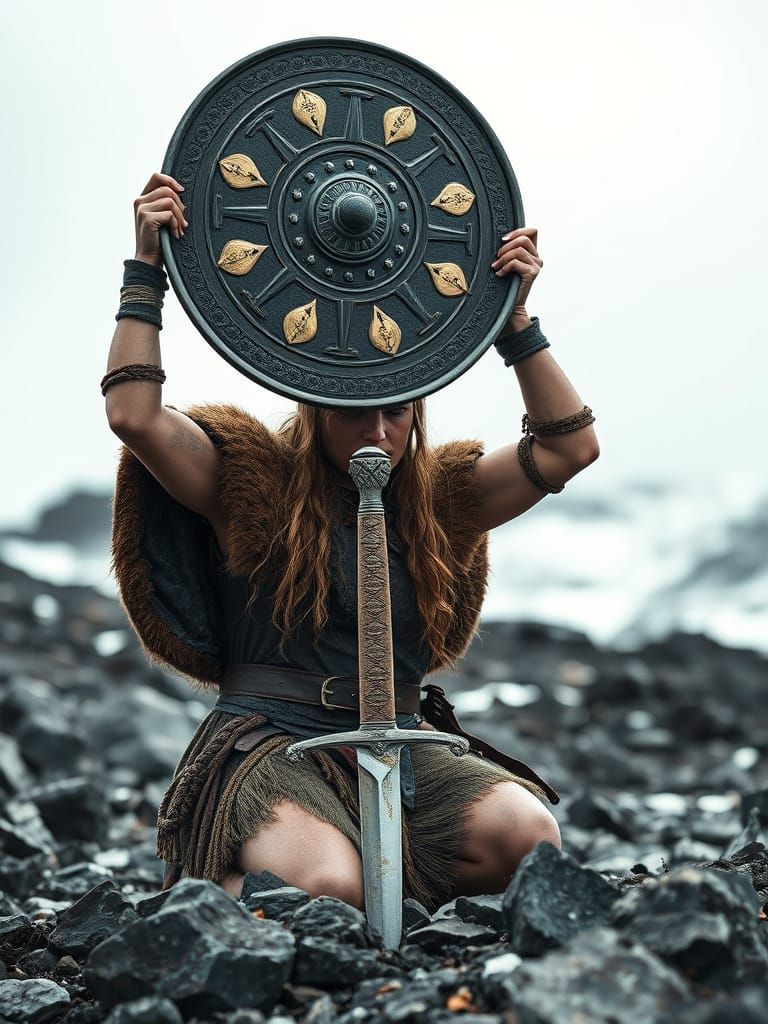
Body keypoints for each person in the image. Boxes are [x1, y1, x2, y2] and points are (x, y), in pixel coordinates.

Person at [104, 172, 599, 913]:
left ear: (415, 412)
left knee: (529, 838)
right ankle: (216, 881)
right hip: (272, 743)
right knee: (328, 890)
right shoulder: (251, 479)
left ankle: (379, 870)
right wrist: (146, 271)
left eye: (394, 414)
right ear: (314, 409)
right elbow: (135, 417)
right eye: (352, 415)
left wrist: (512, 322)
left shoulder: (442, 497)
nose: (376, 433)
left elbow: (569, 449)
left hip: (403, 741)